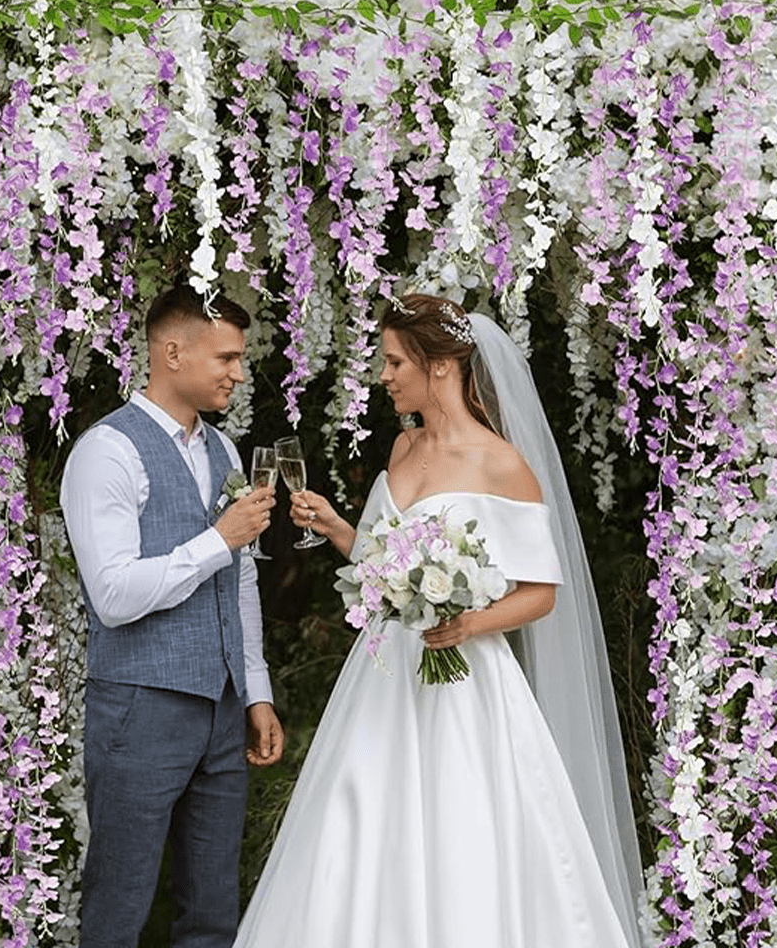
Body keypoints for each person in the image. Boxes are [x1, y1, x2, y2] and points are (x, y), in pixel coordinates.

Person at [233, 294, 644, 948]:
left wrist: (469, 624)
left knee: (466, 828)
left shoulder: (501, 463)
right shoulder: (403, 447)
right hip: (384, 675)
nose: (384, 375)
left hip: (466, 683)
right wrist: (338, 527)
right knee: (358, 821)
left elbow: (541, 594)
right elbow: (381, 564)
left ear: (441, 365)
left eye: (396, 362)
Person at [61, 285, 285, 948]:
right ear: (172, 353)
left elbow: (241, 580)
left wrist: (256, 691)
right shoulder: (107, 451)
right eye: (226, 358)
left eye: (240, 358)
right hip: (140, 710)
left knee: (212, 912)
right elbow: (114, 596)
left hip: (223, 711)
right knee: (119, 906)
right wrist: (218, 539)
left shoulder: (224, 452)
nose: (238, 373)